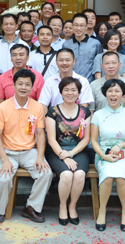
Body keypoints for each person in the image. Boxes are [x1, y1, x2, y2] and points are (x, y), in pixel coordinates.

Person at [0, 69, 53, 223]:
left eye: (27, 84)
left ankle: (31, 207)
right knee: (4, 179)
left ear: (32, 87)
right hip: (7, 152)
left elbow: (40, 134)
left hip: (29, 151)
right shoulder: (3, 107)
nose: (23, 87)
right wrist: (4, 160)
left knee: (46, 173)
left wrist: (40, 157)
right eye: (20, 84)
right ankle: (0, 209)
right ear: (13, 85)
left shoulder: (37, 107)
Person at [91, 79, 125, 232]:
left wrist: (120, 145)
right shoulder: (98, 115)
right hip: (103, 153)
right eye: (110, 91)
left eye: (117, 91)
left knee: (120, 177)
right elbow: (93, 140)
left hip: (124, 154)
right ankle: (102, 211)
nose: (113, 94)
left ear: (123, 94)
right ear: (105, 94)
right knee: (107, 176)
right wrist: (103, 156)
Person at [45, 77, 92, 225]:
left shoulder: (85, 112)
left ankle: (72, 206)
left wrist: (71, 154)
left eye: (73, 90)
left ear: (78, 93)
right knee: (66, 175)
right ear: (61, 92)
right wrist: (64, 157)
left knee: (79, 174)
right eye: (66, 90)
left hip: (78, 151)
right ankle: (63, 206)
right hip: (57, 150)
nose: (70, 93)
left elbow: (86, 139)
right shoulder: (53, 111)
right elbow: (51, 139)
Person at [62, 13, 103, 82]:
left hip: (89, 83)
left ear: (86, 26)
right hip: (71, 83)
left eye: (82, 25)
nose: (78, 28)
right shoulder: (66, 45)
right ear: (72, 26)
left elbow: (99, 64)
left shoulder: (96, 43)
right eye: (76, 25)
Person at [0, 14, 29, 80]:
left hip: (20, 80)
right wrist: (2, 81)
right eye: (6, 24)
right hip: (1, 79)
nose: (8, 26)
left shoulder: (24, 45)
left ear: (16, 26)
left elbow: (27, 66)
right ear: (2, 26)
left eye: (11, 24)